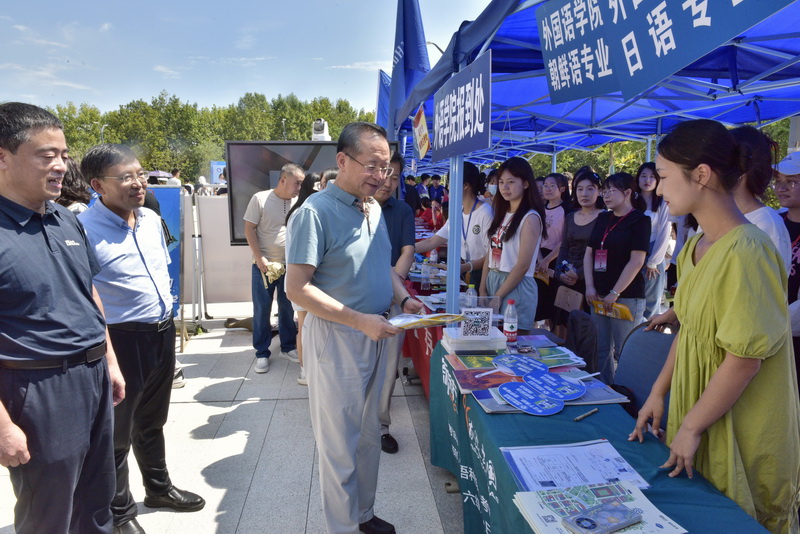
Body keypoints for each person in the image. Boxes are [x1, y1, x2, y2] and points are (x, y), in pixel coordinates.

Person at [630, 119, 800, 534]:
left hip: (741, 419)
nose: (660, 189)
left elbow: (743, 360)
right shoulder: (695, 245)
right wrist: (658, 392)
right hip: (701, 407)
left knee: (737, 515)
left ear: (701, 175)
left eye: (665, 176)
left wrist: (691, 425)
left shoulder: (748, 250)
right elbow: (689, 330)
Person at [285, 121, 423, 534]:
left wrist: (403, 299)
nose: (381, 177)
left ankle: (362, 514)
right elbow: (297, 288)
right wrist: (359, 320)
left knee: (367, 435)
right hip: (339, 336)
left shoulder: (373, 208)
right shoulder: (314, 213)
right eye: (373, 166)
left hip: (378, 330)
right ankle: (343, 526)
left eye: (386, 168)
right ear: (342, 160)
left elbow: (382, 267)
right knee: (339, 444)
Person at [0, 102, 125, 534]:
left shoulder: (65, 219)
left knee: (97, 503)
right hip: (37, 388)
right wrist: (3, 425)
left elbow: (87, 292)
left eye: (64, 155)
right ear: (3, 157)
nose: (60, 165)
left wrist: (108, 361)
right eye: (46, 155)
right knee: (49, 515)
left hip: (92, 378)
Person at [80, 144, 205, 534]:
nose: (138, 183)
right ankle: (120, 512)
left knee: (152, 420)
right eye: (126, 177)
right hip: (120, 340)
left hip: (160, 332)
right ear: (98, 185)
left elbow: (160, 269)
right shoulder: (83, 229)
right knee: (116, 431)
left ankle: (159, 489)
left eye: (140, 174)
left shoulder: (150, 218)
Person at [584, 172, 650, 385]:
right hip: (598, 294)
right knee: (601, 349)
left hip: (626, 296)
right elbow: (589, 253)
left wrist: (615, 292)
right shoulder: (603, 218)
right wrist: (589, 286)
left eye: (611, 191)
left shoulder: (640, 220)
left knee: (625, 351)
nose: (606, 195)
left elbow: (637, 261)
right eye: (604, 191)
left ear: (628, 192)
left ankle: (629, 394)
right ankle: (606, 390)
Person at [243, 163, 304, 373]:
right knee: (262, 309)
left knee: (288, 308)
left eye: (301, 184)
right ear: (283, 180)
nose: (299, 188)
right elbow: (249, 229)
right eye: (297, 183)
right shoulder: (260, 198)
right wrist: (260, 257)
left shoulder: (298, 201)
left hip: (291, 265)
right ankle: (261, 352)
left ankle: (287, 347)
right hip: (264, 265)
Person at [374, 151, 416, 454]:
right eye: (384, 173)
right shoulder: (354, 207)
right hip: (356, 302)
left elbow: (408, 250)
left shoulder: (401, 210)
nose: (388, 182)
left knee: (389, 368)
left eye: (395, 176)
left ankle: (381, 427)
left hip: (393, 300)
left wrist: (395, 289)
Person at [480, 157, 546, 334]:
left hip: (516, 285)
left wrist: (498, 296)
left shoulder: (530, 218)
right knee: (492, 340)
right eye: (501, 182)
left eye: (510, 182)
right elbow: (490, 253)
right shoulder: (502, 213)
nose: (504, 187)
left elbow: (523, 265)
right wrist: (482, 288)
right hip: (494, 281)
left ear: (525, 183)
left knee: (512, 341)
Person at [415, 162, 493, 285]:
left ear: (466, 185)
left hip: (483, 274)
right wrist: (407, 249)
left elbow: (491, 254)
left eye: (450, 182)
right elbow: (432, 241)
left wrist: (466, 267)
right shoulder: (458, 212)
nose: (448, 187)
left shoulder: (485, 212)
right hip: (466, 271)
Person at [552, 170, 604, 336]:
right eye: (580, 189)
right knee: (563, 326)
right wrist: (560, 272)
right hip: (567, 278)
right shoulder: (571, 216)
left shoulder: (605, 217)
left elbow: (602, 255)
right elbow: (564, 248)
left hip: (591, 281)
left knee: (586, 331)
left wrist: (580, 274)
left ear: (599, 191)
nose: (584, 194)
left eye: (590, 189)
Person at [284, 172, 321, 386]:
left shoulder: (298, 212)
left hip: (299, 279)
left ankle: (306, 370)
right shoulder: (305, 213)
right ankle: (305, 371)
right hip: (302, 281)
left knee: (305, 327)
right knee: (305, 327)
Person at [633, 162, 672, 319]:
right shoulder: (631, 200)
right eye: (643, 176)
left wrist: (653, 261)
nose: (647, 180)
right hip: (632, 252)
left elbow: (665, 232)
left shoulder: (663, 202)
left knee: (651, 302)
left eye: (652, 177)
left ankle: (649, 331)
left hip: (654, 251)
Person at [776, 151, 800, 392]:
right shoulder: (773, 221)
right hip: (772, 331)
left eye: (791, 182)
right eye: (778, 181)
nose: (781, 188)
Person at [536, 172, 571, 325]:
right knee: (541, 301)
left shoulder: (567, 209)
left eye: (552, 186)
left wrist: (547, 260)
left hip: (558, 258)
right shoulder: (540, 209)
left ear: (562, 188)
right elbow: (536, 236)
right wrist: (540, 259)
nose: (547, 189)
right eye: (545, 186)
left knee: (556, 304)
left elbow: (566, 239)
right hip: (540, 257)